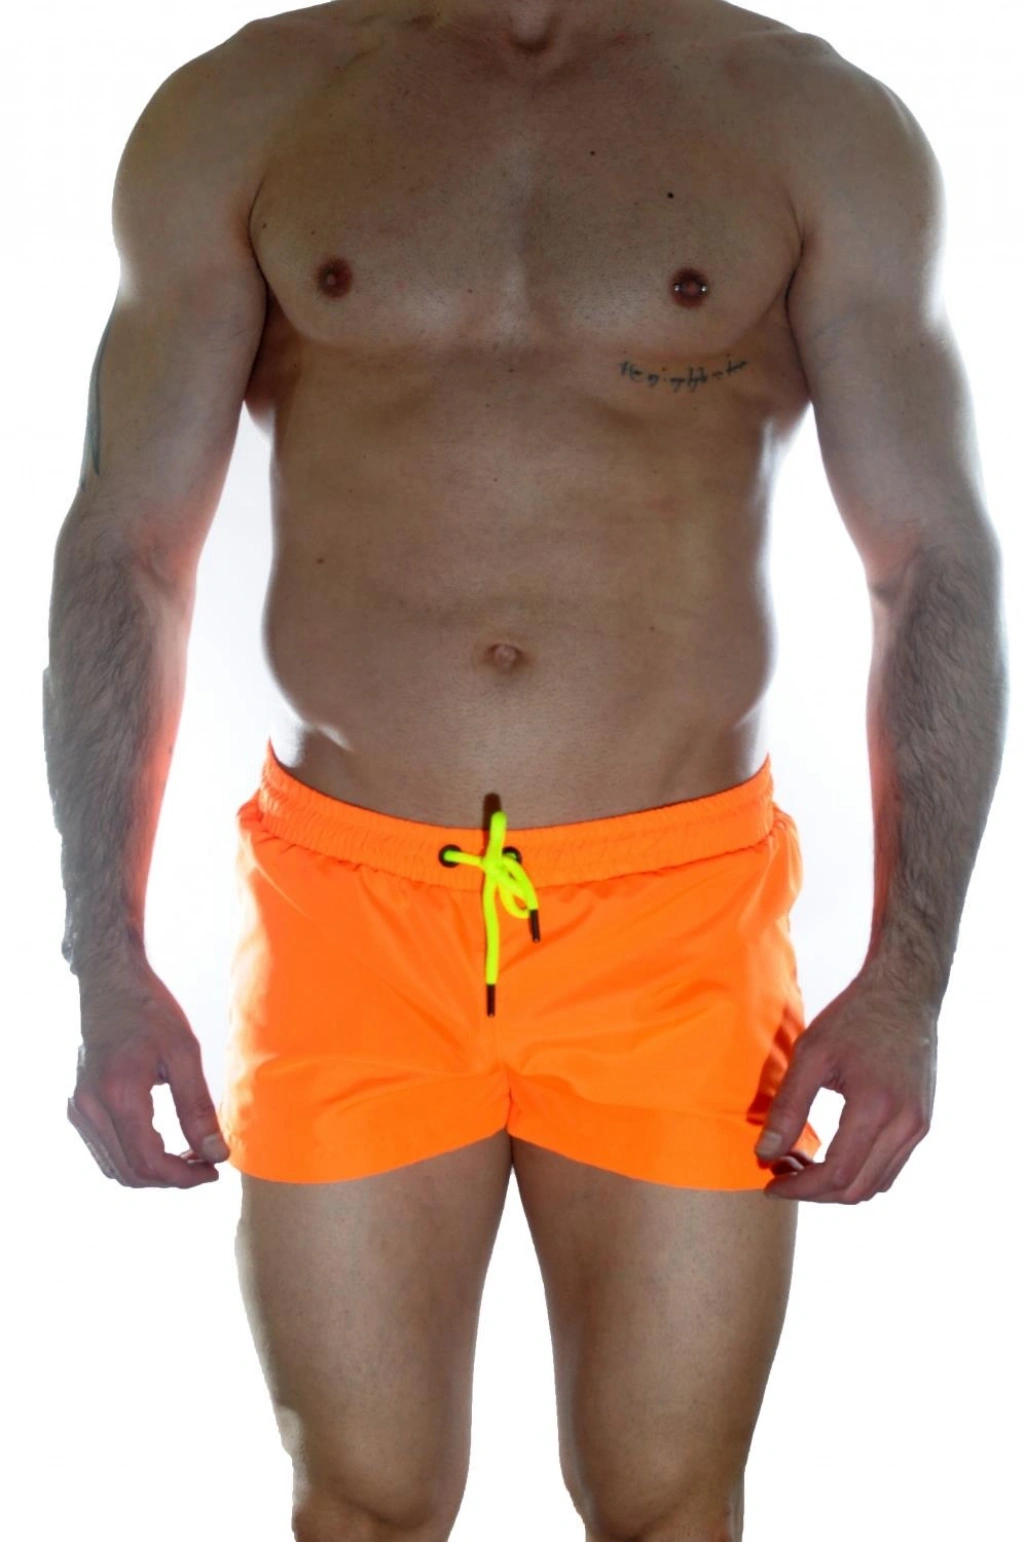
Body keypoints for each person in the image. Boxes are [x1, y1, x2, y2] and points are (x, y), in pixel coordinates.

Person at [43, 2, 1007, 1539]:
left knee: (668, 1506)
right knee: (361, 1503)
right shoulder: (252, 106)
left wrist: (909, 979)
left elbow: (933, 563)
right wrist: (105, 949)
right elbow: (128, 548)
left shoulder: (809, 121)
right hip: (349, 912)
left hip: (671, 920)